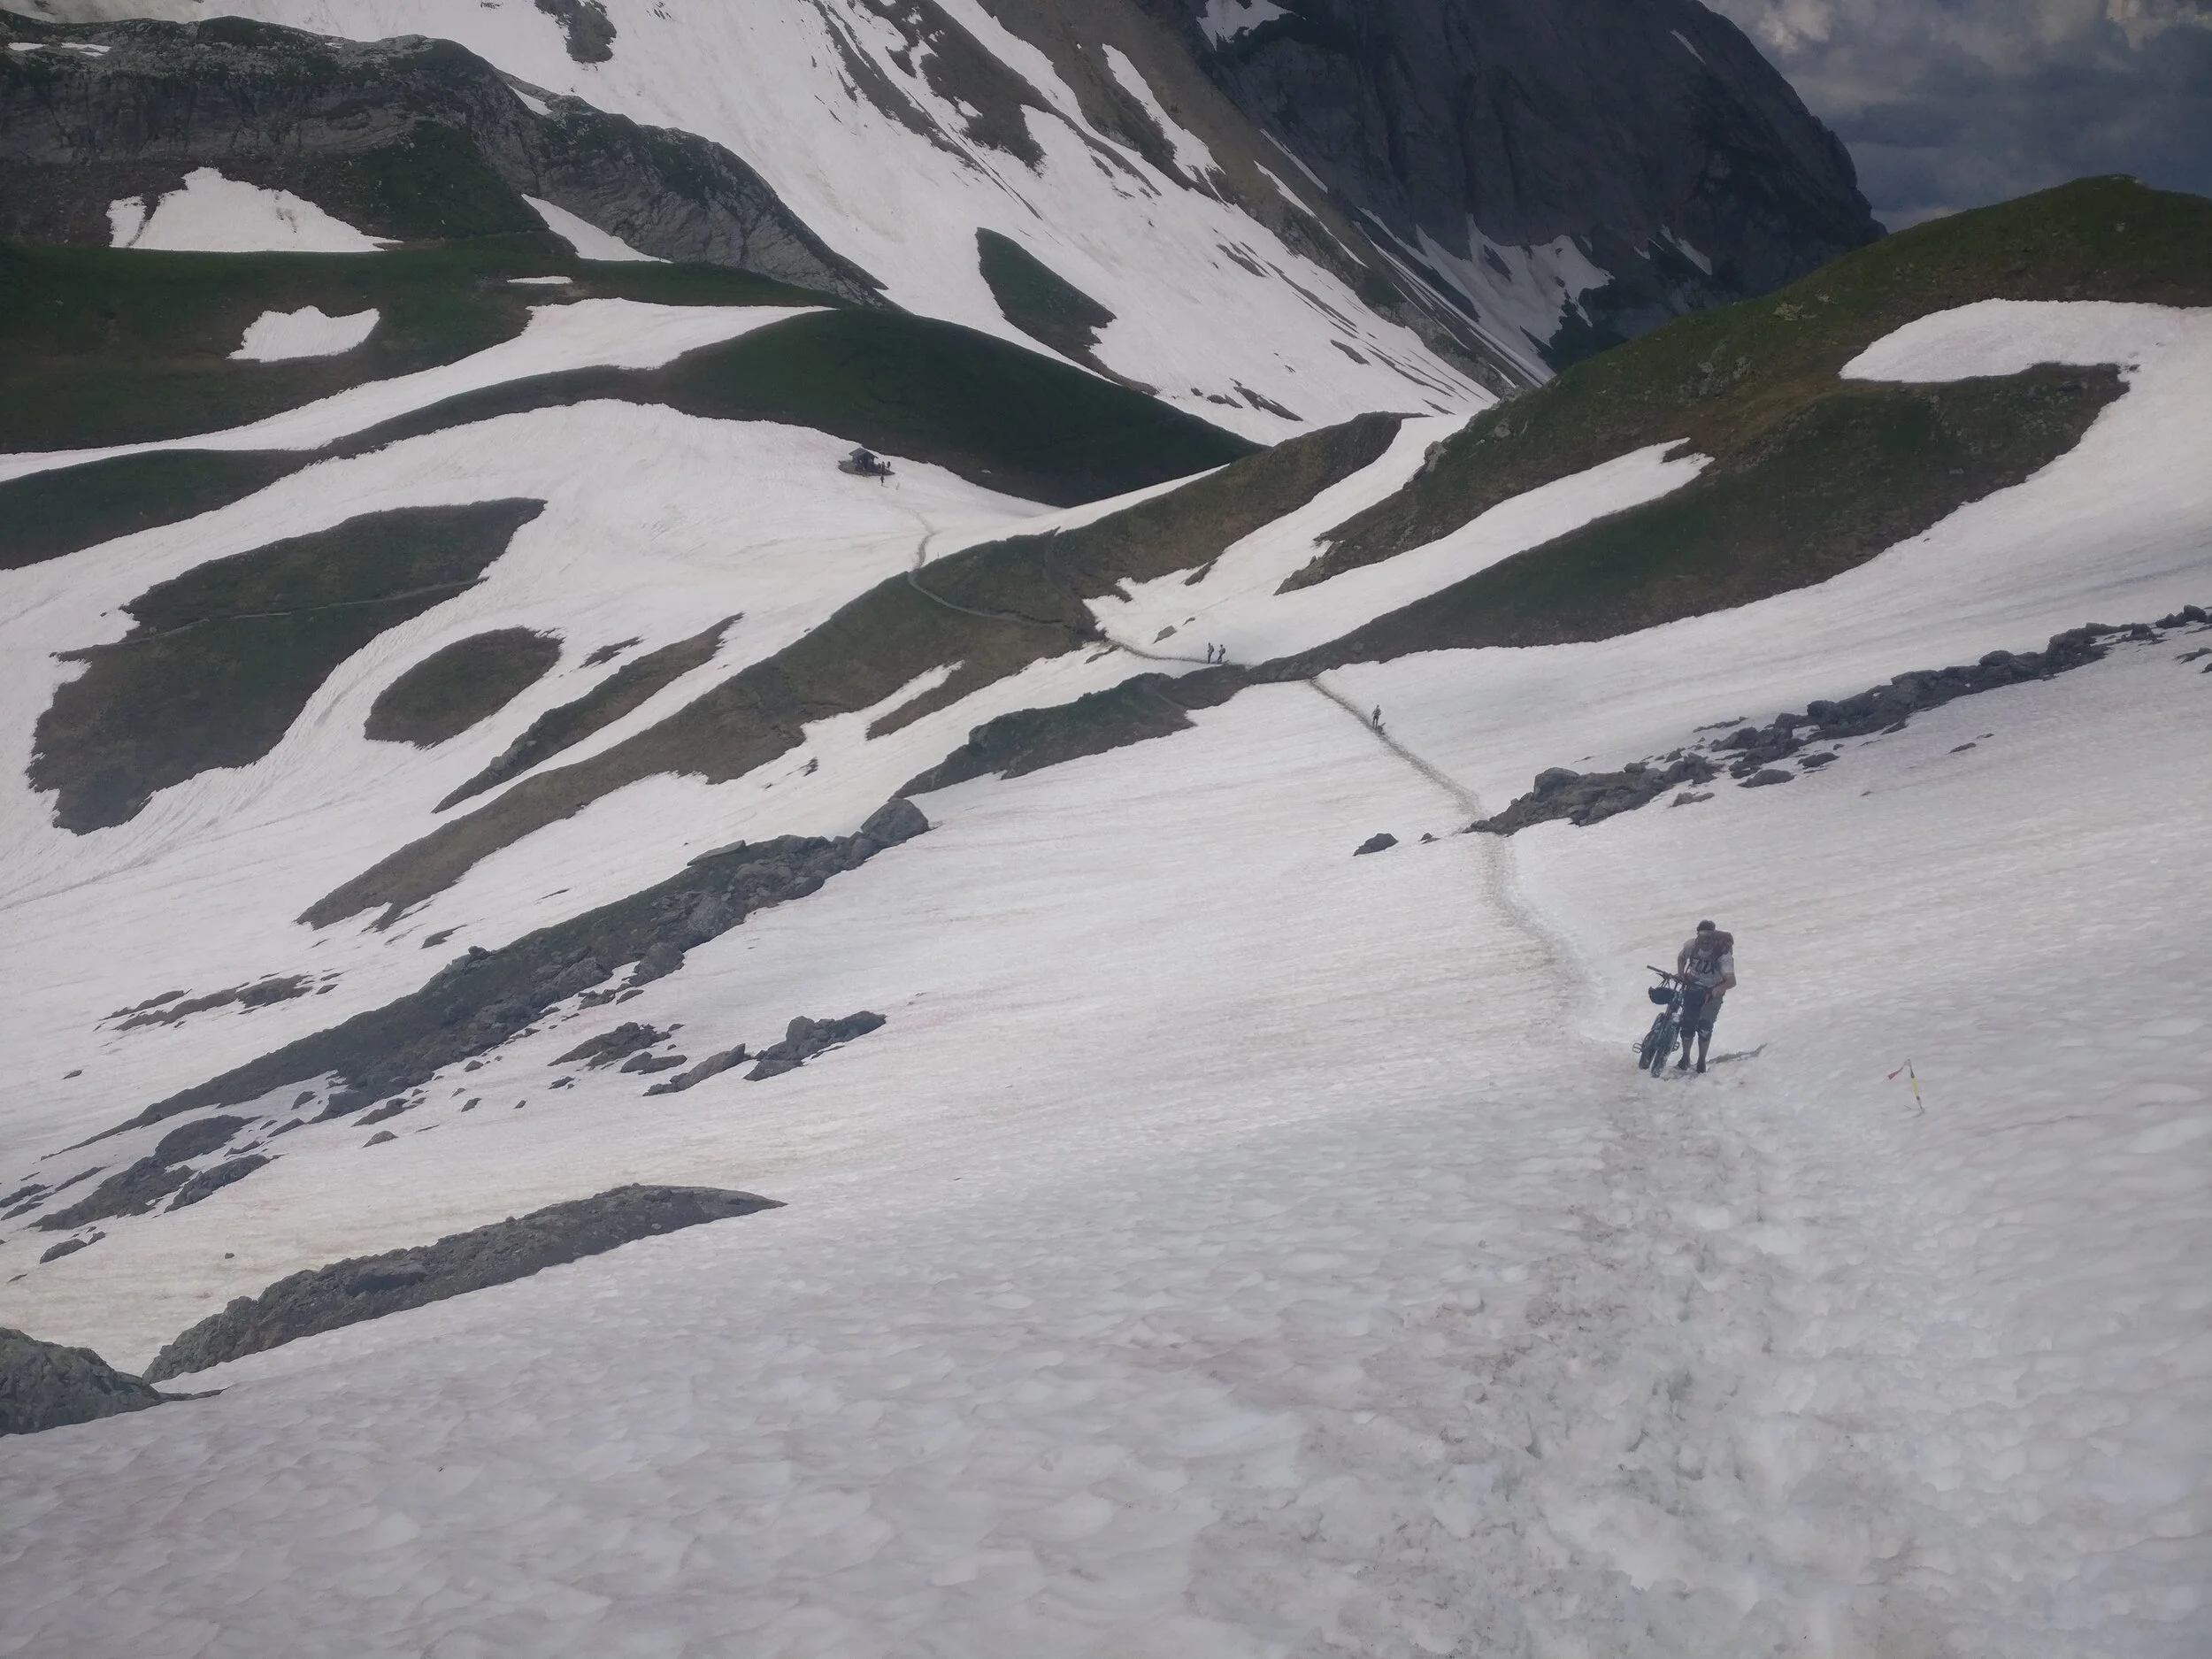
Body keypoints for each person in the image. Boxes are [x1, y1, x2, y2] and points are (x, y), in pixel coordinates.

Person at [1672, 919, 1736, 1072]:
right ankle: (1686, 1057)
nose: (1706, 942)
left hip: (1712, 993)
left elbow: (1732, 980)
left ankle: (1701, 1061)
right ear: (1698, 937)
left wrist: (1720, 988)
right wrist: (1681, 974)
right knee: (1687, 1026)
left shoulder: (1722, 954)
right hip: (1693, 988)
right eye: (1703, 938)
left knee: (1704, 1027)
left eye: (1709, 938)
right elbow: (1681, 957)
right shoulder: (1691, 946)